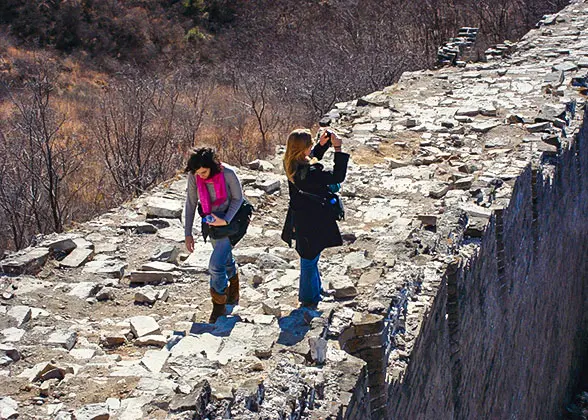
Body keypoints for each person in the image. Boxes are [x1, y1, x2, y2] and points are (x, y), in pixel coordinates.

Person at [281, 128, 350, 308]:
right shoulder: (310, 171)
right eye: (310, 145)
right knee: (309, 259)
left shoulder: (291, 163)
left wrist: (321, 146)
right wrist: (337, 149)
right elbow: (337, 176)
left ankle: (315, 290)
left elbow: (310, 158)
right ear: (304, 148)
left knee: (311, 255)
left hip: (302, 217)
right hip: (313, 219)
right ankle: (309, 299)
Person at [184, 147, 244, 323]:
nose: (201, 176)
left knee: (215, 265)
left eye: (204, 171)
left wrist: (225, 220)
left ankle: (219, 305)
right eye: (197, 172)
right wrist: (188, 233)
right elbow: (191, 202)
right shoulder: (195, 176)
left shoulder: (228, 173)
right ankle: (234, 287)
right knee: (224, 257)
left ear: (212, 165)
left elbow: (238, 198)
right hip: (211, 224)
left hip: (231, 224)